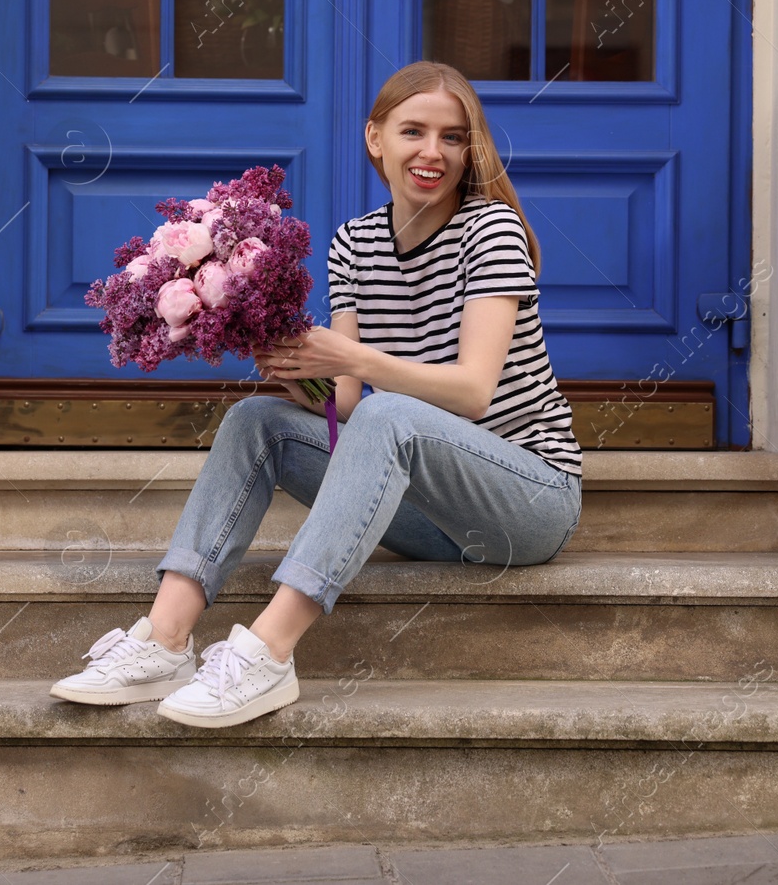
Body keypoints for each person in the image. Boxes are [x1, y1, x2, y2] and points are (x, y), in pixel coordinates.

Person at [50, 61, 583, 728]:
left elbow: (474, 392)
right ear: (374, 138)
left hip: (526, 499)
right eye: (413, 130)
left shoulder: (490, 230)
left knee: (392, 416)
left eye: (452, 137)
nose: (431, 152)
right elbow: (348, 403)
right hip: (432, 515)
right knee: (256, 420)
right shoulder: (355, 244)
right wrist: (288, 367)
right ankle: (165, 639)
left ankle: (268, 652)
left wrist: (350, 356)